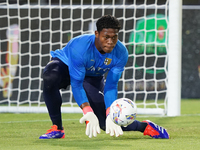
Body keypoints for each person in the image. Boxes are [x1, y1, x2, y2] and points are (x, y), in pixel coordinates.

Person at [39, 15, 169, 139]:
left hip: (91, 77)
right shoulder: (79, 47)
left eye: (114, 37)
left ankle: (145, 127)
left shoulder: (121, 53)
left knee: (107, 124)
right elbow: (77, 84)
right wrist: (87, 111)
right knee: (50, 77)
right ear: (96, 34)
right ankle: (57, 128)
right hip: (65, 66)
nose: (110, 42)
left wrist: (109, 113)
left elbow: (111, 86)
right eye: (106, 37)